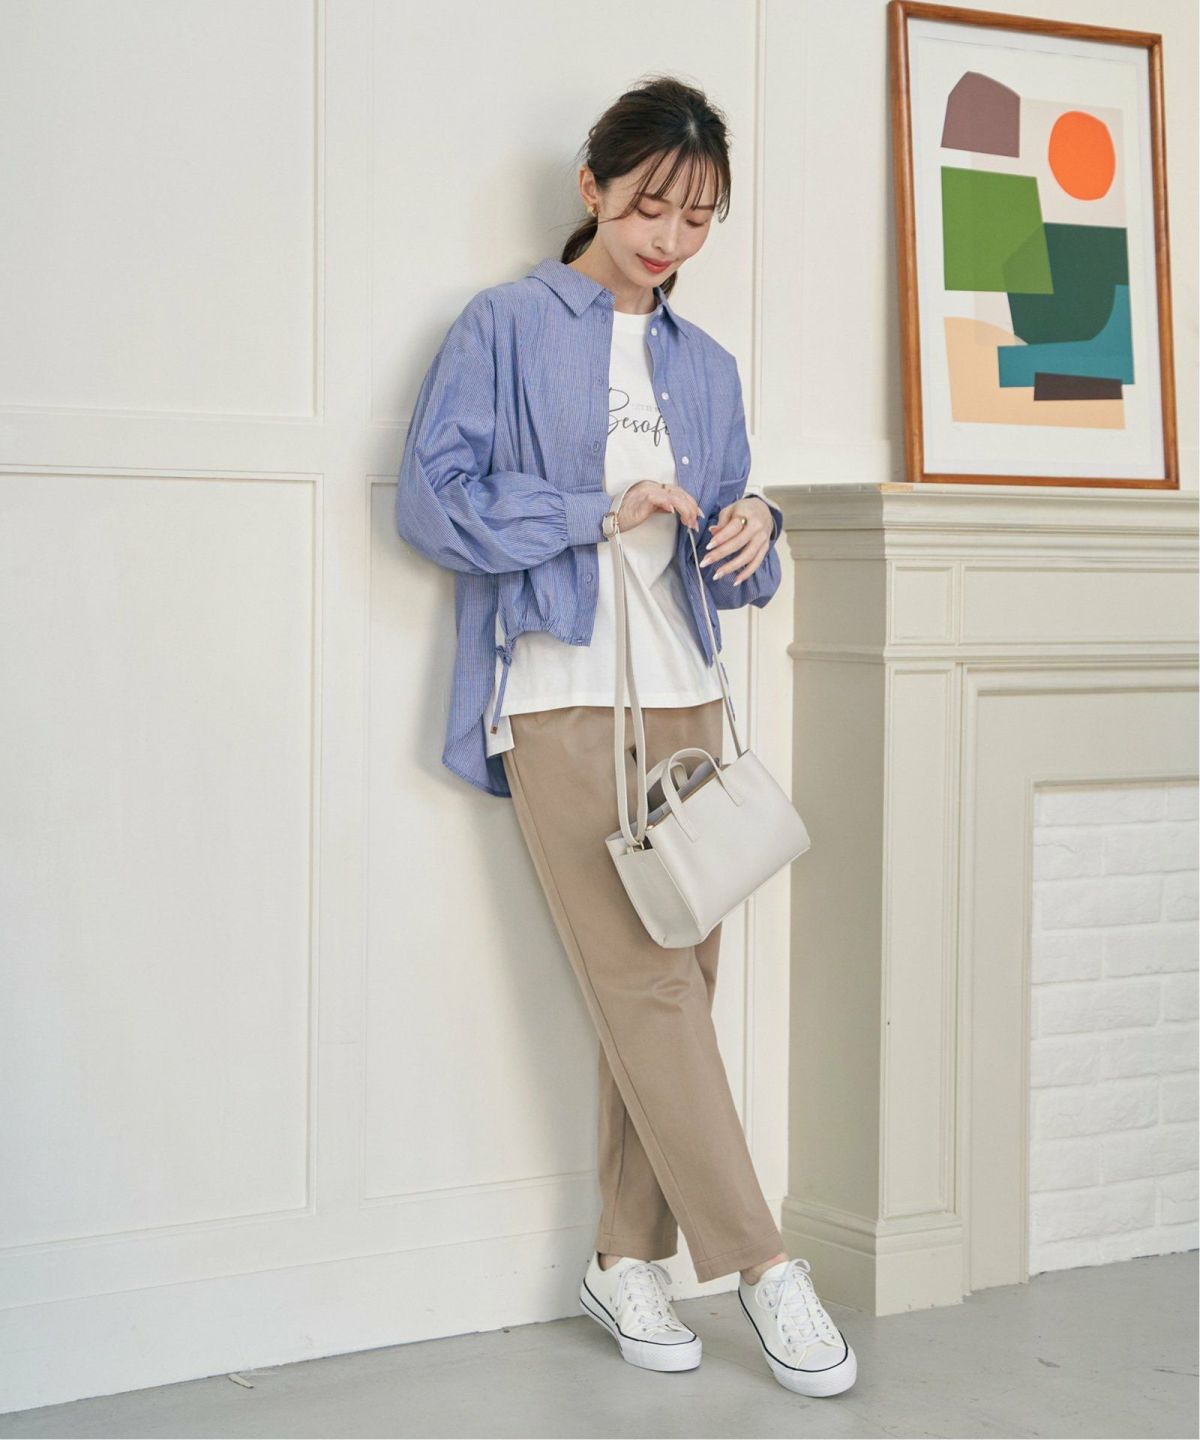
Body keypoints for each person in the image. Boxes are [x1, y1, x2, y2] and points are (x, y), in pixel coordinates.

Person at [395, 74, 856, 1399]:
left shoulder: (706, 367)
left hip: (685, 693)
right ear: (593, 188)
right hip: (558, 688)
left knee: (674, 991)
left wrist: (757, 527)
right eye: (652, 205)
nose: (670, 237)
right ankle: (764, 1266)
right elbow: (433, 501)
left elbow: (738, 567)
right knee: (649, 984)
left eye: (698, 218)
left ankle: (621, 1258)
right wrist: (590, 511)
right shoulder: (504, 326)